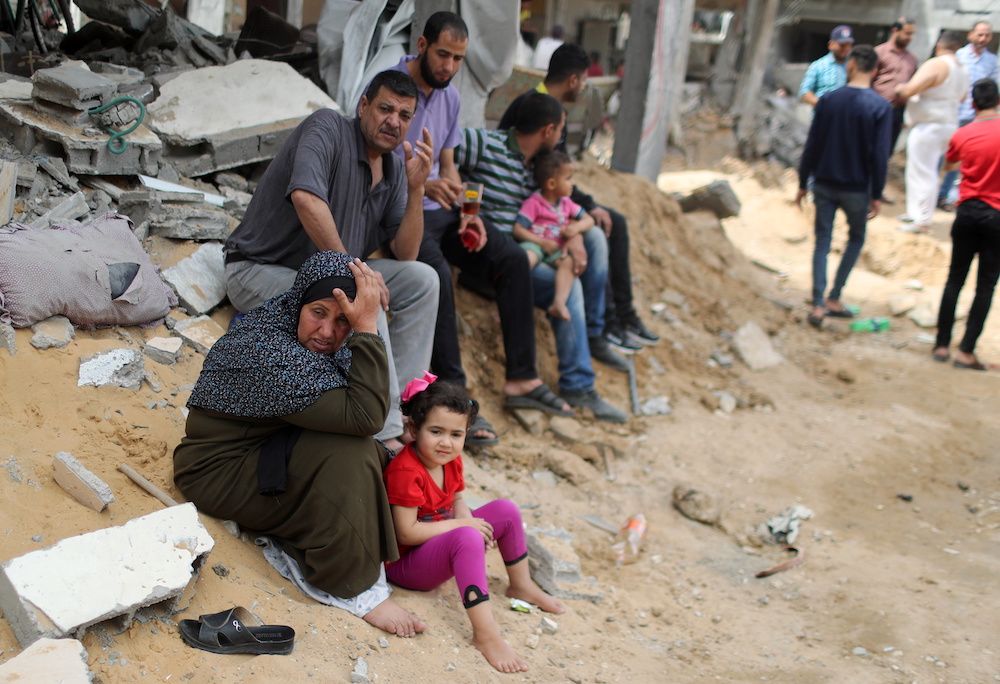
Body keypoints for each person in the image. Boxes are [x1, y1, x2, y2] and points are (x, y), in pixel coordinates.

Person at [174, 251, 426, 638]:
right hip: (217, 473)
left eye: (344, 319)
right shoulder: (271, 354)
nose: (327, 331)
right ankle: (354, 588)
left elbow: (362, 411)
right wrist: (366, 328)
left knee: (378, 457)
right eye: (318, 313)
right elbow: (367, 418)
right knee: (352, 452)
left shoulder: (291, 326)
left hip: (266, 450)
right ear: (298, 303)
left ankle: (331, 534)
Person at [222, 70, 439, 454]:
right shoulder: (327, 127)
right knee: (364, 297)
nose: (394, 121)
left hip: (323, 277)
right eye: (385, 108)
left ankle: (405, 408)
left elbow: (406, 253)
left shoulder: (391, 168)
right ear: (363, 106)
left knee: (423, 280)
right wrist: (357, 270)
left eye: (404, 115)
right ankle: (385, 435)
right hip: (257, 269)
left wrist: (417, 188)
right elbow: (306, 198)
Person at [389, 11, 575, 445]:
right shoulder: (392, 88)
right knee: (436, 274)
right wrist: (419, 183)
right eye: (442, 55)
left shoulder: (449, 96)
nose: (449, 66)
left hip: (442, 209)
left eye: (457, 58)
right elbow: (374, 163)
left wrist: (468, 210)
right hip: (400, 210)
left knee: (509, 255)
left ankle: (523, 379)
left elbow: (450, 166)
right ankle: (454, 397)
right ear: (421, 45)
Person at [457, 92, 628, 423]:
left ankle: (591, 340)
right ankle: (578, 383)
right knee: (569, 287)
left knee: (590, 240)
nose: (562, 137)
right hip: (490, 258)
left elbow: (560, 208)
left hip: (527, 255)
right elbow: (442, 146)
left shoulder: (539, 167)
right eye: (561, 129)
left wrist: (575, 235)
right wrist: (454, 190)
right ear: (548, 130)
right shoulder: (486, 144)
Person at [383, 373, 564, 673]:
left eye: (456, 434)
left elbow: (457, 501)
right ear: (413, 428)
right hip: (407, 565)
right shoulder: (406, 471)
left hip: (438, 542)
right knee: (465, 536)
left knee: (505, 510)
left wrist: (467, 521)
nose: (446, 442)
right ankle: (486, 635)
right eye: (436, 431)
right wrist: (462, 528)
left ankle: (521, 585)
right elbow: (406, 532)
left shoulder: (450, 459)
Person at [498, 43, 660, 359]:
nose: (584, 88)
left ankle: (621, 317)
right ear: (574, 80)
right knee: (599, 233)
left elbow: (559, 175)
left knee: (611, 221)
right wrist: (572, 221)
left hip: (553, 201)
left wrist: (585, 209)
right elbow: (542, 178)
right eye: (584, 81)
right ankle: (604, 327)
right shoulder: (537, 109)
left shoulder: (548, 105)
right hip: (538, 208)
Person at [795, 45, 892, 328]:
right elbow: (879, 155)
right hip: (857, 188)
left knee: (822, 241)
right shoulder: (880, 107)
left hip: (824, 182)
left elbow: (812, 144)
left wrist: (803, 182)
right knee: (855, 238)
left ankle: (817, 303)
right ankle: (834, 297)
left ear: (849, 66)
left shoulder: (828, 100)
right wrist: (877, 193)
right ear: (875, 71)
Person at [932, 79, 1000, 371]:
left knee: (954, 279)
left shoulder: (963, 133)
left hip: (966, 211)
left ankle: (941, 345)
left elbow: (949, 165)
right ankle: (966, 351)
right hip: (996, 215)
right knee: (985, 285)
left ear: (972, 104)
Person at [895, 31, 969, 234]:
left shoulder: (937, 64)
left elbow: (910, 90)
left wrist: (900, 88)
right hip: (948, 123)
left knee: (924, 172)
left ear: (939, 45)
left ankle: (922, 220)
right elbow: (963, 97)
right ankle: (914, 212)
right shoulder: (962, 68)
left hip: (929, 125)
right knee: (920, 170)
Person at [514, 149, 595, 321]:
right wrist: (541, 243)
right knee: (526, 259)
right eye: (568, 178)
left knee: (569, 263)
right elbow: (518, 229)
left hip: (555, 249)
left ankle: (558, 303)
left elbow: (589, 220)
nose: (572, 183)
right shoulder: (534, 203)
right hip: (535, 244)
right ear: (551, 184)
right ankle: (509, 300)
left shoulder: (566, 203)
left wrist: (577, 228)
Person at [938, 22, 1000, 211]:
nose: (983, 39)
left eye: (987, 35)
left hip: (978, 118)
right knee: (945, 157)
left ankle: (945, 197)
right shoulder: (958, 57)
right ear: (971, 35)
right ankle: (932, 195)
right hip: (954, 113)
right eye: (980, 34)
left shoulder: (993, 61)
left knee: (966, 161)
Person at [872, 18, 917, 158]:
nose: (910, 37)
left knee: (887, 151)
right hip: (876, 109)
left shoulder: (912, 59)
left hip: (897, 112)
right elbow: (867, 81)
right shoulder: (879, 53)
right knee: (869, 147)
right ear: (895, 31)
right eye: (907, 33)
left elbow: (912, 86)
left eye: (912, 34)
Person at [799, 25, 855, 105]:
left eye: (848, 45)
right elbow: (804, 92)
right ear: (831, 44)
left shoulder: (854, 67)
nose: (845, 49)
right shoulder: (818, 66)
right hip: (824, 115)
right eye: (841, 45)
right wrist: (822, 106)